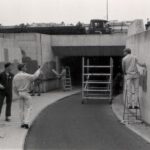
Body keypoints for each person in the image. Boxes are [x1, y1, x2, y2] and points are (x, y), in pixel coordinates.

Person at [13, 63, 42, 129]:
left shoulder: (15, 76)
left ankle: (22, 123)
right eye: (25, 67)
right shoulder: (25, 75)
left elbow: (14, 87)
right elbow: (35, 76)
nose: (26, 68)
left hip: (19, 93)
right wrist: (39, 70)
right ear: (22, 68)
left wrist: (18, 94)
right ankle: (26, 122)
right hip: (26, 93)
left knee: (21, 109)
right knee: (29, 108)